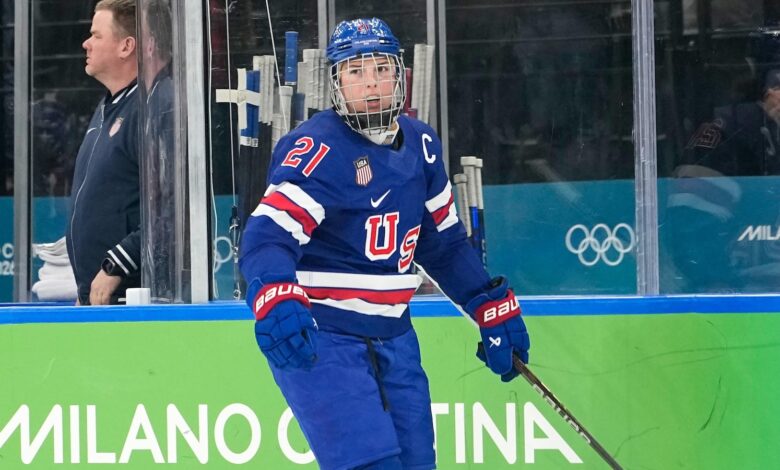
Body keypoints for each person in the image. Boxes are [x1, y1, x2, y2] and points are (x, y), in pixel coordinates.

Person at [239, 18, 530, 470]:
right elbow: (266, 237)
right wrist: (275, 295)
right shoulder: (317, 149)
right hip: (323, 336)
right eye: (355, 72)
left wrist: (486, 304)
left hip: (395, 335)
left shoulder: (423, 146)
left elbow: (444, 244)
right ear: (336, 83)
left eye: (381, 69)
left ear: (400, 75)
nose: (371, 83)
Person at [66, 0, 140, 305]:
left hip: (128, 299)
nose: (86, 43)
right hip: (97, 295)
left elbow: (170, 209)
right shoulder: (107, 107)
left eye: (96, 35)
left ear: (126, 46)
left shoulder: (150, 108)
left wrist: (116, 266)